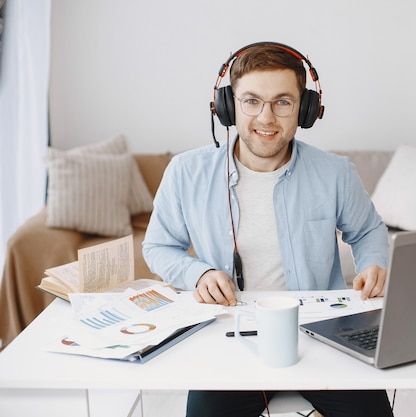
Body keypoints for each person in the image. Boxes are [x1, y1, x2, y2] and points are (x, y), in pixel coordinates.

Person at [142, 42, 394, 417]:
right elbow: (158, 247)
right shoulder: (185, 172)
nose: (266, 117)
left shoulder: (335, 173)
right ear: (228, 106)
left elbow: (370, 232)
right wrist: (199, 273)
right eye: (251, 101)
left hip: (322, 335)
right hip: (230, 336)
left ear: (305, 110)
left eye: (283, 102)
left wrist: (374, 263)